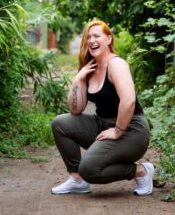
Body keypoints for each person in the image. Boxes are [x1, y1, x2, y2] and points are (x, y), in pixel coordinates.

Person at [51, 20, 154, 195]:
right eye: (88, 37)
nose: (91, 40)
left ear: (108, 39)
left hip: (131, 130)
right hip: (103, 125)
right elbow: (76, 109)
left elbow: (128, 100)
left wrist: (118, 130)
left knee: (90, 169)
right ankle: (77, 180)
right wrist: (78, 79)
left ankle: (141, 171)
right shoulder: (90, 68)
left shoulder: (117, 64)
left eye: (96, 36)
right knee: (60, 123)